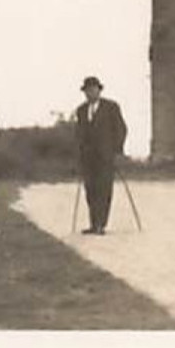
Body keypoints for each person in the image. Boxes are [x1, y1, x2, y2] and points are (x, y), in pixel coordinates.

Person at [74, 75, 127, 235]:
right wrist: (79, 151)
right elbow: (79, 133)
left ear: (99, 90)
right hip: (88, 158)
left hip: (106, 156)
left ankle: (101, 225)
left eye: (93, 89)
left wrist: (116, 150)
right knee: (90, 190)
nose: (90, 93)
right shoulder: (81, 110)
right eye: (87, 91)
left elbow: (121, 130)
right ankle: (93, 223)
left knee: (104, 190)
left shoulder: (111, 107)